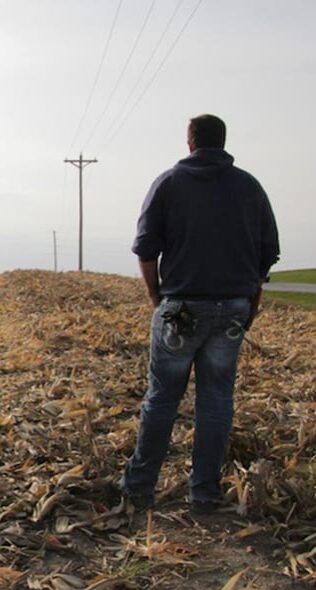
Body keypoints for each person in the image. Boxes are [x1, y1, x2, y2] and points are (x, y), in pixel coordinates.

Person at [119, 114, 280, 514]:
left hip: (180, 307)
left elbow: (145, 250)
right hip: (232, 309)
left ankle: (139, 488)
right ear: (223, 143)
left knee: (162, 399)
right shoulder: (249, 187)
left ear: (190, 142)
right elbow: (266, 254)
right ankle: (204, 493)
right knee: (216, 400)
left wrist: (158, 298)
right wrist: (250, 300)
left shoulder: (168, 183)